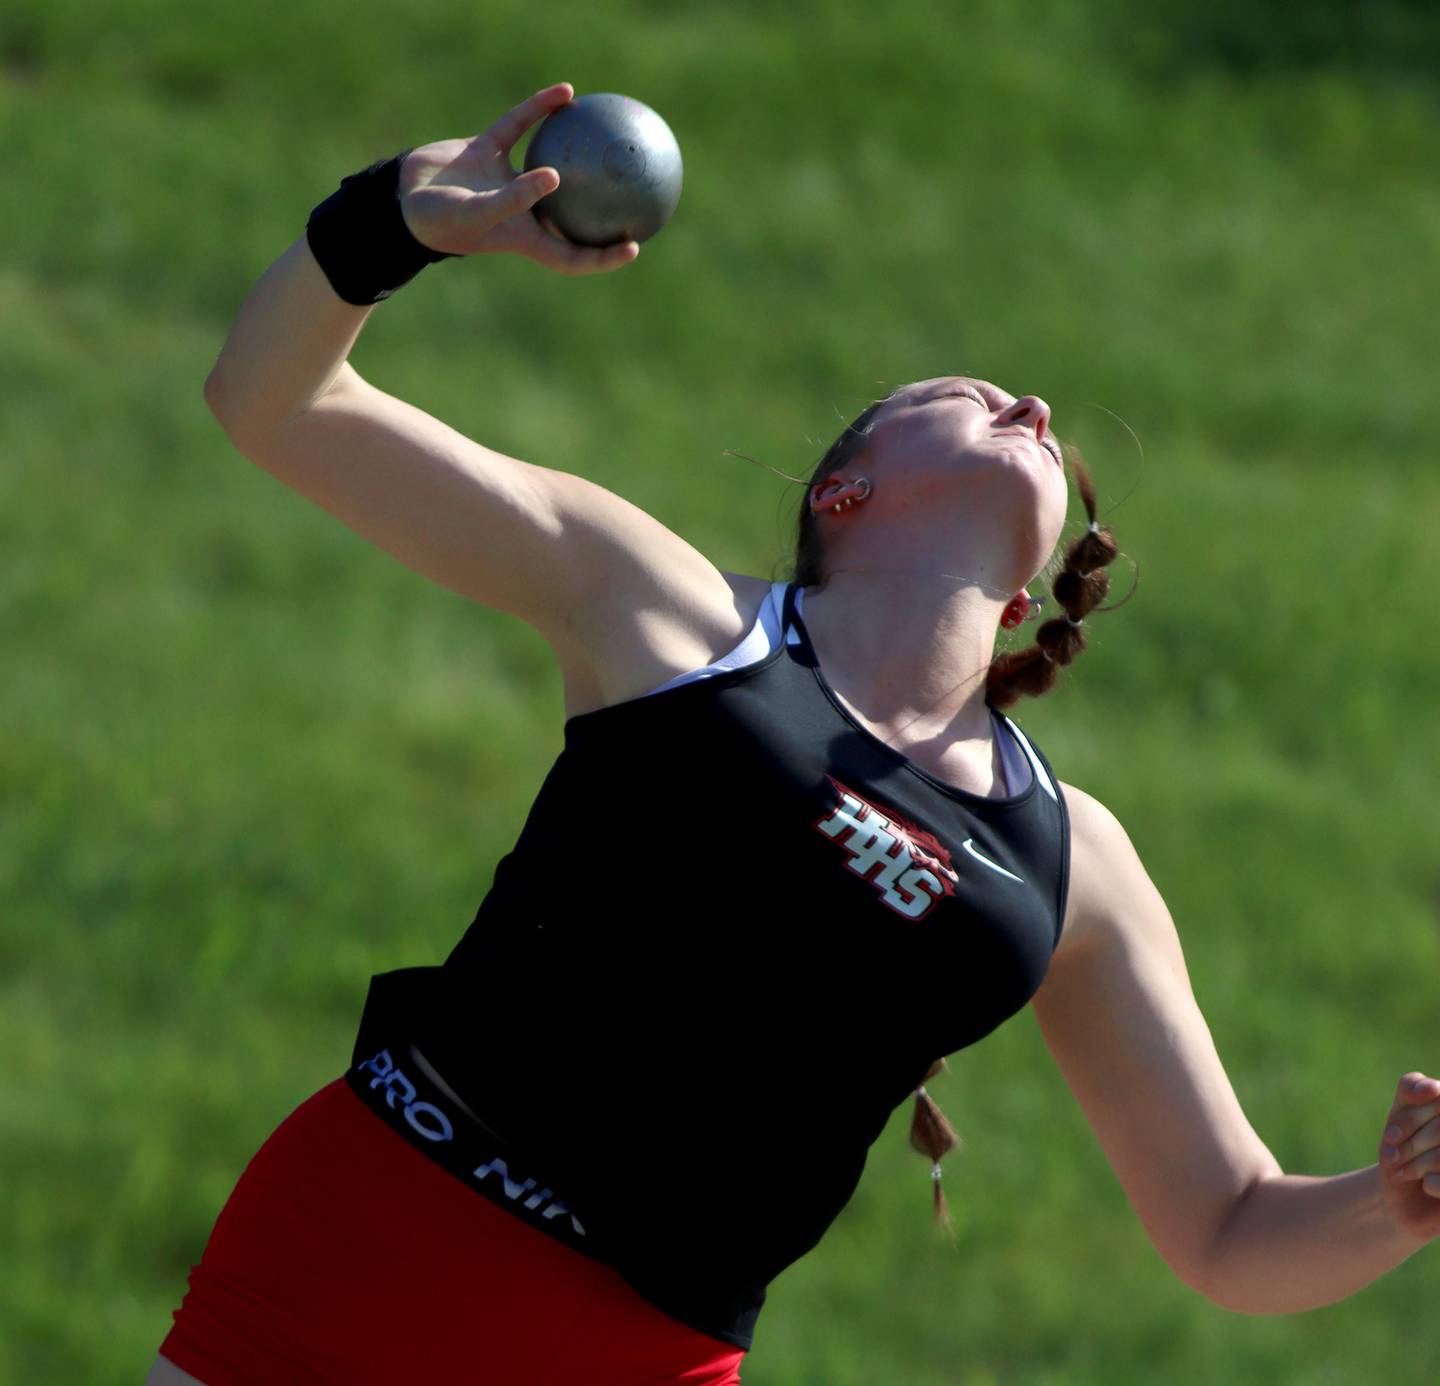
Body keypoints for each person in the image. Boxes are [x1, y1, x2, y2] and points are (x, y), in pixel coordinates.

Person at [148, 83, 1440, 1386]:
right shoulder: (662, 608)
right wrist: (395, 222)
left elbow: (1229, 1225)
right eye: (972, 392)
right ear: (845, 489)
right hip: (379, 1238)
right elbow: (271, 402)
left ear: (1024, 596)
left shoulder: (1070, 861)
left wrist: (1397, 1201)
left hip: (643, 1355)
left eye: (1040, 419)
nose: (1036, 408)